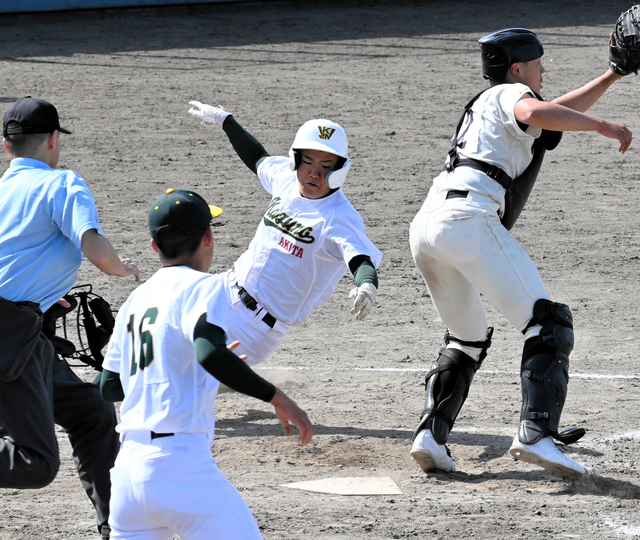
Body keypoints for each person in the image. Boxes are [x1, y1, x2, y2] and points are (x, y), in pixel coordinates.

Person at [408, 28, 633, 479]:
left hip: (428, 227)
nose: (543, 69)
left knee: (466, 337)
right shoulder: (513, 94)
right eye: (538, 62)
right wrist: (603, 125)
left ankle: (431, 437)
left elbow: (551, 114)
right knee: (548, 323)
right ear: (516, 69)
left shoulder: (489, 106)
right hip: (468, 221)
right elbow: (535, 108)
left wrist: (614, 74)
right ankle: (536, 435)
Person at [100, 188, 313, 540]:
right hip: (181, 471)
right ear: (209, 238)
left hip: (126, 477)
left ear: (154, 247)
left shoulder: (134, 301)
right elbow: (209, 352)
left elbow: (108, 387)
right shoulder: (205, 287)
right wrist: (278, 397)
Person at [0, 96, 140, 539]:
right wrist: (125, 268)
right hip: (10, 335)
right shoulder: (62, 184)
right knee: (36, 462)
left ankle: (118, 529)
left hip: (25, 333)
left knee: (93, 412)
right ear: (54, 140)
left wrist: (46, 296)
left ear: (7, 147)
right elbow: (94, 247)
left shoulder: (3, 191)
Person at [186, 102, 383, 367]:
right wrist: (225, 119)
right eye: (308, 162)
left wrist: (367, 284)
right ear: (296, 160)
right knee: (162, 326)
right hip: (223, 290)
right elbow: (257, 157)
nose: (314, 173)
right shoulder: (286, 180)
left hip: (255, 328)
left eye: (326, 166)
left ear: (339, 170)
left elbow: (360, 260)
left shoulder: (339, 217)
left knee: (186, 371)